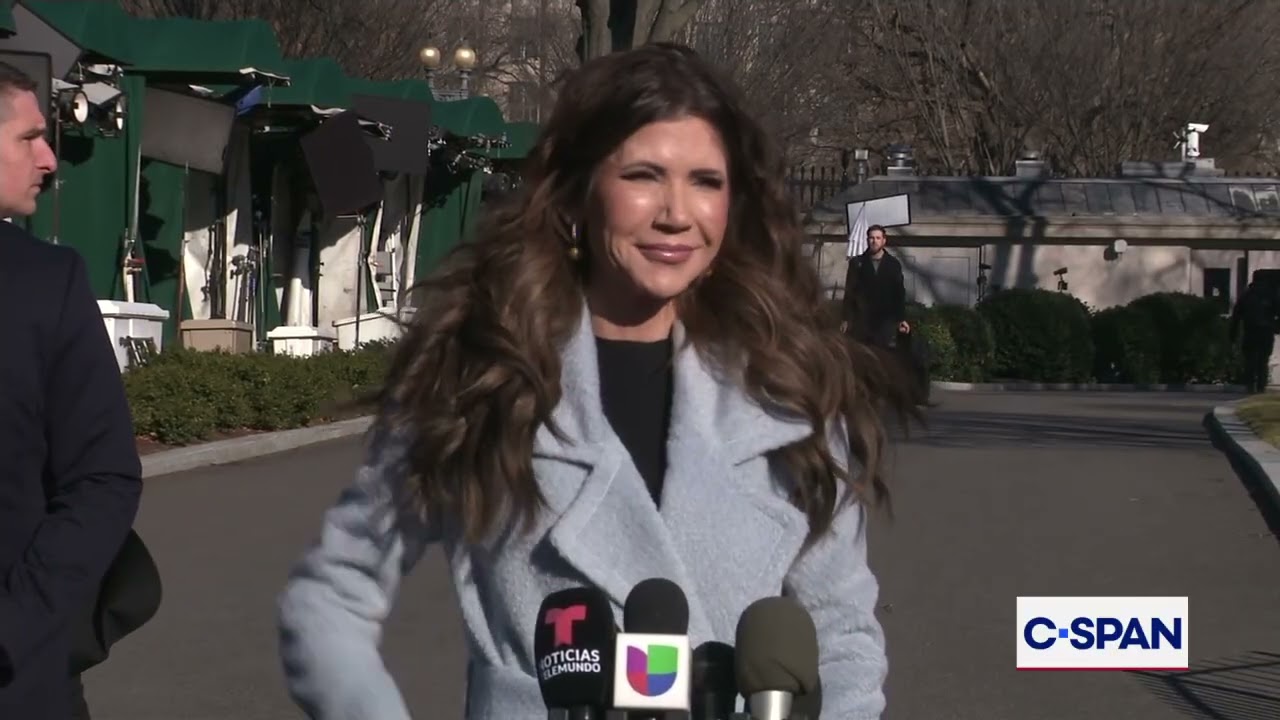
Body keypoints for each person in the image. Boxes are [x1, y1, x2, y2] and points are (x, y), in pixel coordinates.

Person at [278, 43, 909, 720]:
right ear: (579, 193)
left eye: (705, 181)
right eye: (643, 175)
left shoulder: (788, 392)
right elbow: (329, 600)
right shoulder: (479, 377)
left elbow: (843, 633)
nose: (676, 212)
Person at [0, 62, 154, 719]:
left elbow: (102, 476)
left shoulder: (45, 282)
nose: (48, 158)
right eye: (28, 137)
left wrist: (17, 625)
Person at [843, 224, 909, 348]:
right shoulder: (857, 263)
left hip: (885, 323)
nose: (874, 241)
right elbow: (850, 291)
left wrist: (901, 318)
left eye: (878, 238)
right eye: (871, 238)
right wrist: (846, 318)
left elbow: (899, 293)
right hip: (862, 322)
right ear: (867, 240)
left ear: (884, 240)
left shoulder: (893, 264)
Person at [1230, 276, 1280, 393]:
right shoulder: (1270, 295)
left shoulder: (1246, 296)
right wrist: (1276, 327)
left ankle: (1250, 386)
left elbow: (1236, 316)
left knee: (1250, 360)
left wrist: (1233, 334)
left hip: (1250, 331)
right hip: (1266, 331)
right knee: (1263, 360)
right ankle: (1261, 386)